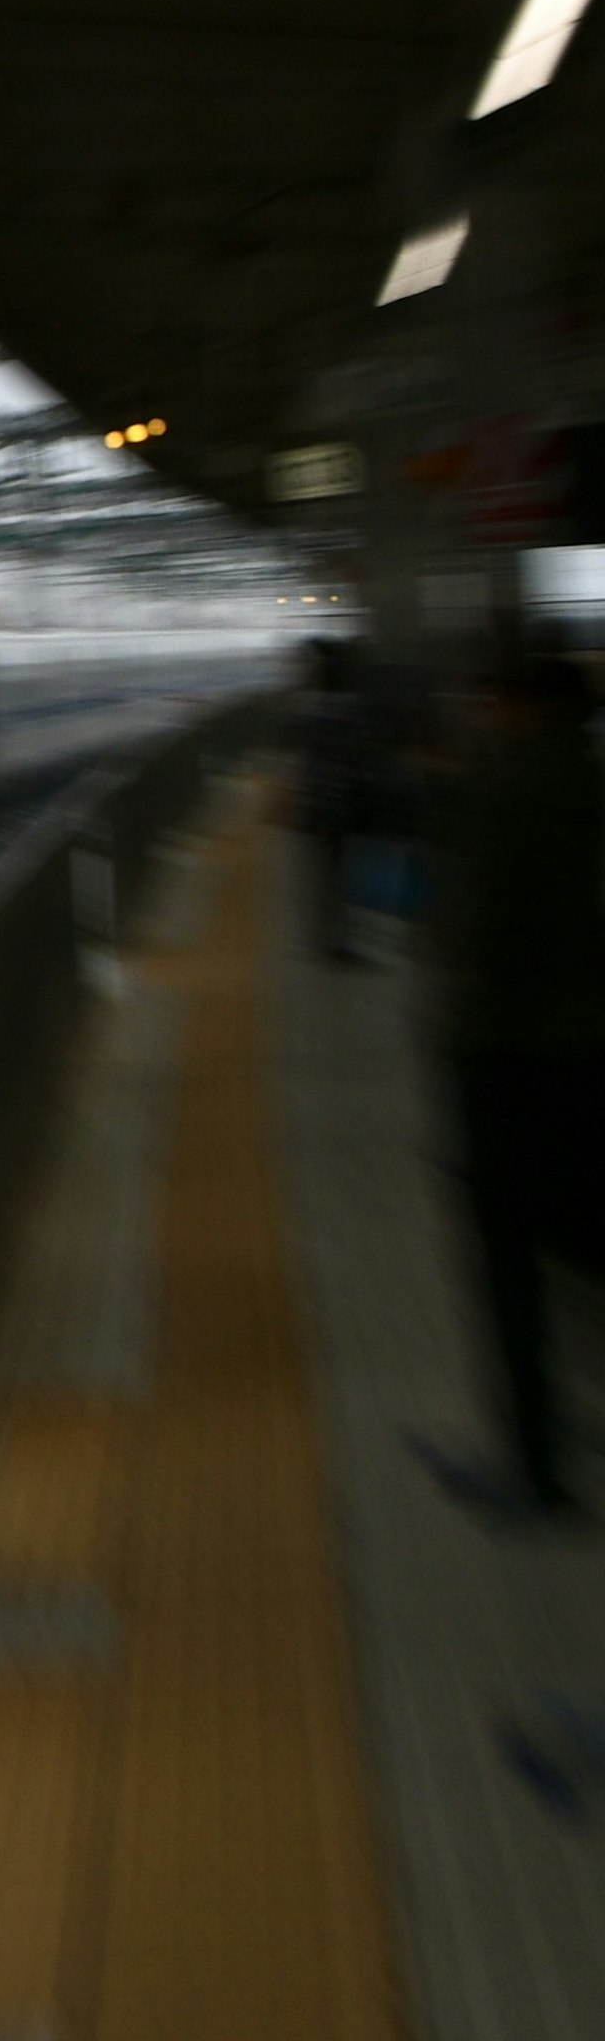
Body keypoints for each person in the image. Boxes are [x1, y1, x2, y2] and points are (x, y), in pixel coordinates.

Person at [428, 649, 605, 1516]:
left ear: (515, 704)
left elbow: (477, 935)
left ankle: (532, 1471)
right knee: (580, 1229)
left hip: (510, 1055)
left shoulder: (511, 795)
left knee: (511, 1266)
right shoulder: (588, 777)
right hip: (587, 1051)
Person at [292, 637, 384, 961]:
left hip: (317, 805)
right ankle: (337, 940)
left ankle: (326, 937)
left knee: (325, 876)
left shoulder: (311, 707)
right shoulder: (350, 708)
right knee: (341, 875)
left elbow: (304, 756)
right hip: (343, 805)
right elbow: (363, 756)